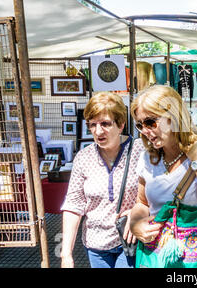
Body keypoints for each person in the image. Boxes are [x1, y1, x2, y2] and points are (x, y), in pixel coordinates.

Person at [129, 85, 197, 267]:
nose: (144, 131)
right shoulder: (147, 158)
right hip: (155, 256)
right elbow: (142, 202)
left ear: (174, 117)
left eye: (150, 122)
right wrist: (135, 224)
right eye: (139, 125)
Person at [60, 92, 145, 268]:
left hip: (129, 240)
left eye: (105, 123)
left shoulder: (140, 151)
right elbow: (73, 205)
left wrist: (138, 211)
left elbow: (156, 193)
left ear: (121, 125)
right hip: (95, 244)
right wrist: (66, 254)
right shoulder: (84, 157)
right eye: (93, 124)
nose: (98, 131)